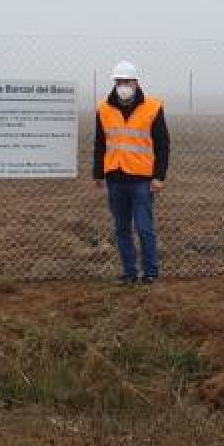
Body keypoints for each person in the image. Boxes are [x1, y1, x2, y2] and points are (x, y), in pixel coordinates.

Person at [93, 60, 170, 285]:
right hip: (115, 179)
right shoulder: (104, 109)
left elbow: (162, 145)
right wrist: (98, 173)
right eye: (119, 81)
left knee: (145, 228)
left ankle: (151, 273)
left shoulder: (153, 108)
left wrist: (159, 176)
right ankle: (129, 273)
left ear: (136, 82)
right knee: (122, 229)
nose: (123, 85)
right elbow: (100, 143)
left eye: (126, 81)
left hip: (142, 181)